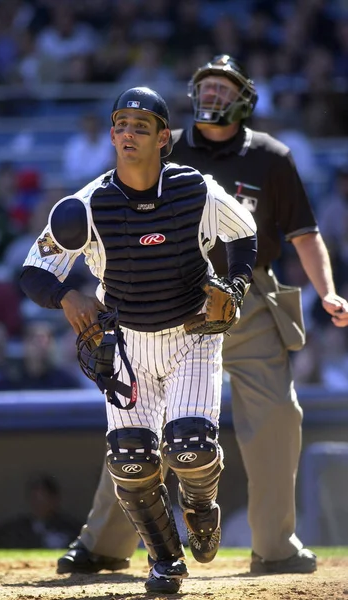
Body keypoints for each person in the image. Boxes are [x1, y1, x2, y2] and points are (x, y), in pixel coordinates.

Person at [56, 56, 348, 579]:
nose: (211, 94)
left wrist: (327, 292)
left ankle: (276, 545)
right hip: (156, 299)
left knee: (278, 416)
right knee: (138, 430)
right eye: (205, 85)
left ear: (244, 98)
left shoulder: (271, 156)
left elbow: (305, 233)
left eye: (222, 87)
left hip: (248, 291)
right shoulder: (164, 142)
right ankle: (101, 543)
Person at [20, 86, 257, 594]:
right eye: (120, 125)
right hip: (124, 341)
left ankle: (200, 507)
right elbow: (33, 271)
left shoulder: (198, 190)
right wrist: (67, 298)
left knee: (189, 448)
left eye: (140, 126)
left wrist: (235, 287)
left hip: (193, 332)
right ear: (110, 136)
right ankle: (165, 561)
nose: (128, 133)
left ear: (163, 138)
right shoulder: (86, 205)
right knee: (131, 459)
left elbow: (244, 233)